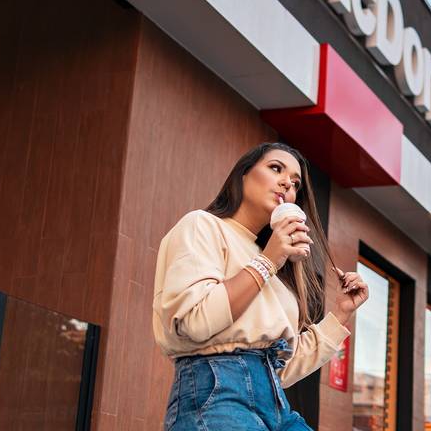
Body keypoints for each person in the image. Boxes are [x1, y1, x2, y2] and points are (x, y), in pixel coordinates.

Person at [152, 142, 369, 430]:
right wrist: (268, 261)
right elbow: (194, 321)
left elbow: (283, 367)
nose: (287, 184)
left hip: (277, 405)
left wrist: (341, 313)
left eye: (295, 183)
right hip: (218, 397)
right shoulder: (203, 226)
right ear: (243, 175)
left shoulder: (274, 262)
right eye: (276, 168)